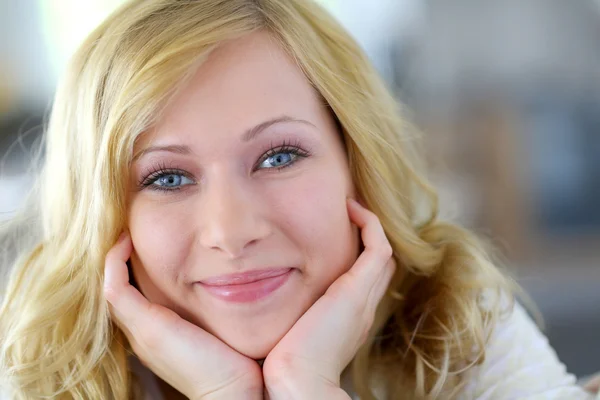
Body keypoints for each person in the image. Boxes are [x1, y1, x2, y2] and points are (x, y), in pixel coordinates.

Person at [0, 0, 596, 399]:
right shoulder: (37, 373)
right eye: (166, 178)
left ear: (355, 165)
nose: (231, 232)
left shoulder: (455, 315)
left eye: (279, 156)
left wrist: (306, 386)